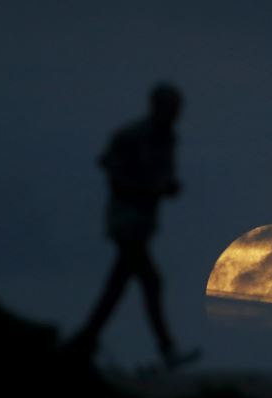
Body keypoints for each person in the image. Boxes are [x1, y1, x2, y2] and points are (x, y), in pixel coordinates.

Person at [67, 82, 196, 369]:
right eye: (168, 108)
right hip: (126, 222)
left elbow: (162, 178)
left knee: (118, 286)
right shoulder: (131, 136)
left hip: (144, 225)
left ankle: (86, 339)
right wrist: (146, 189)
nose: (173, 114)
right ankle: (167, 349)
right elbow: (114, 172)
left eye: (176, 109)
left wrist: (166, 188)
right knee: (150, 281)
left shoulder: (168, 139)